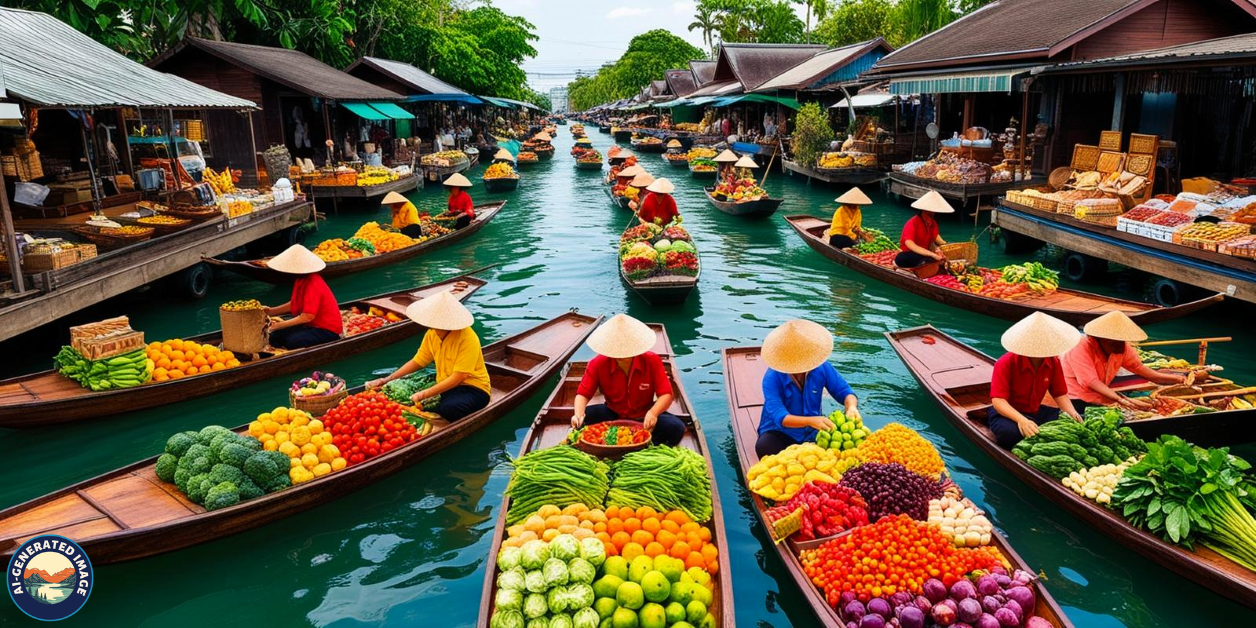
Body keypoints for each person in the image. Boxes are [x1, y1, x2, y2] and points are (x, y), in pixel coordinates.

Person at [366, 291, 491, 420]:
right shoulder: (432, 334)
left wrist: (423, 394)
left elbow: (459, 377)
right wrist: (386, 379)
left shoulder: (467, 338)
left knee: (449, 408)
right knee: (397, 393)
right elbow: (419, 361)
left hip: (472, 388)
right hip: (446, 385)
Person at [571, 314, 685, 447]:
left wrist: (653, 413)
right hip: (613, 413)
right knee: (584, 419)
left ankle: (643, 446)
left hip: (644, 415)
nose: (620, 355)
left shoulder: (652, 361)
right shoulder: (597, 363)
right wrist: (578, 415)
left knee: (676, 428)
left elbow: (666, 394)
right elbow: (583, 394)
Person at [757, 319, 861, 458]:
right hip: (782, 432)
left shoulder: (821, 367)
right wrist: (810, 421)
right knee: (764, 445)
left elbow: (844, 392)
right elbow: (780, 416)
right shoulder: (772, 378)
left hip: (814, 432)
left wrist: (852, 406)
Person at [1062, 311, 1202, 414]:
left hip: (1101, 397)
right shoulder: (1080, 345)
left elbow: (1140, 369)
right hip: (1073, 397)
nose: (1117, 346)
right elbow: (1090, 382)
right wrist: (1122, 400)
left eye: (1120, 341)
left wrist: (1177, 379)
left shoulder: (1121, 346)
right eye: (1112, 342)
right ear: (1099, 338)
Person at [988, 312, 1084, 449]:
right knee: (1009, 434)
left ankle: (1034, 426)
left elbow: (1059, 393)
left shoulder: (1053, 362)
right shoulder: (1005, 363)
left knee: (1078, 422)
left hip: (1036, 411)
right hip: (1007, 414)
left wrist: (1071, 413)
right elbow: (998, 401)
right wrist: (1021, 420)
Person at [262, 245, 343, 349]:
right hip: (311, 325)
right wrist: (270, 311)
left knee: (293, 342)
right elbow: (294, 303)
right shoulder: (300, 280)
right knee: (275, 337)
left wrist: (276, 326)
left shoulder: (313, 283)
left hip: (327, 329)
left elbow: (307, 316)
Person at [894, 190, 951, 268]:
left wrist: (944, 248)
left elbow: (937, 239)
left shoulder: (933, 223)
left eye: (932, 214)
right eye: (928, 214)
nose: (931, 216)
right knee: (901, 258)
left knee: (938, 257)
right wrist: (931, 254)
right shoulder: (912, 223)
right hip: (911, 253)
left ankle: (928, 263)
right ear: (923, 211)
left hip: (925, 254)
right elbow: (910, 244)